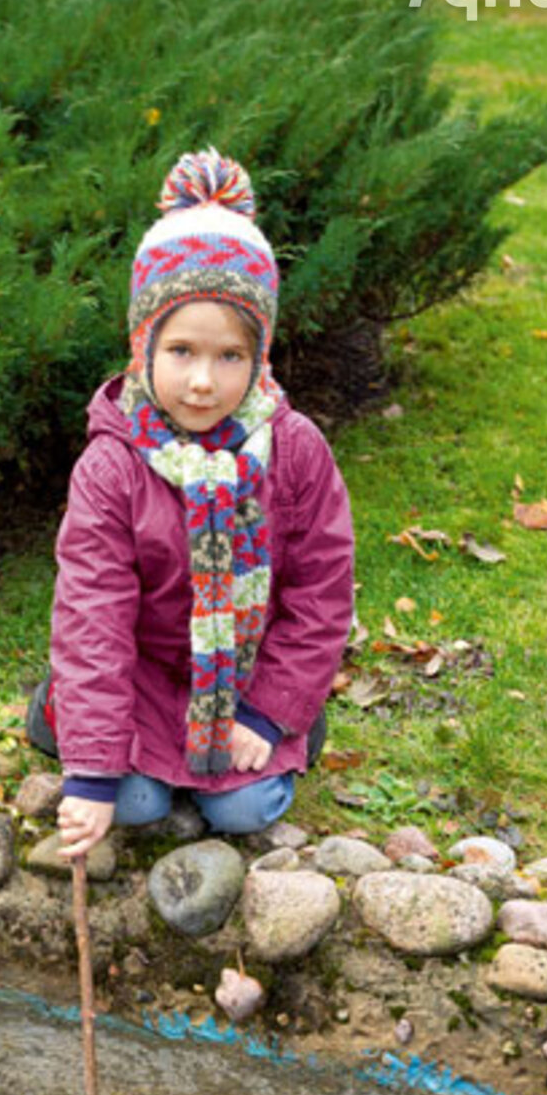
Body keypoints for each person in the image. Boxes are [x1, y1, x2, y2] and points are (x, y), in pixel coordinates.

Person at [40, 148, 355, 859]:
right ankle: (60, 712)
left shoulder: (295, 451)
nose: (204, 382)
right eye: (180, 351)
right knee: (134, 801)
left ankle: (292, 724)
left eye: (230, 356)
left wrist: (271, 712)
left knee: (245, 809)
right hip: (147, 674)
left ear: (262, 355)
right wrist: (90, 773)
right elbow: (94, 614)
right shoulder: (112, 464)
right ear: (141, 344)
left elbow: (321, 595)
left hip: (245, 677)